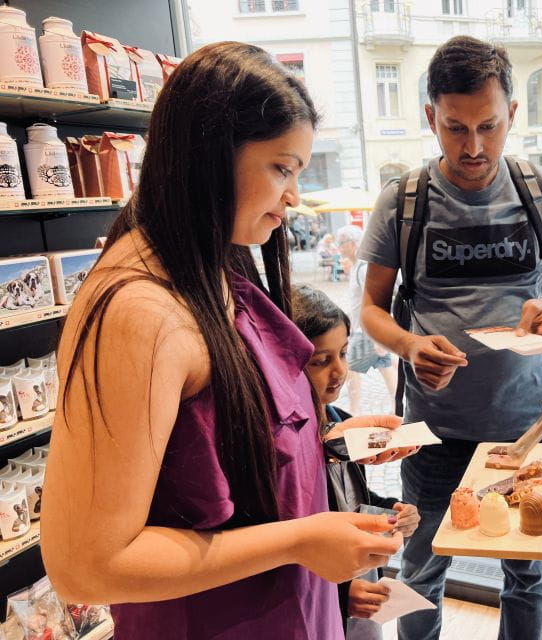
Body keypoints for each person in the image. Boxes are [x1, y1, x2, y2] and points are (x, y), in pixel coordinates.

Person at [40, 42, 415, 640]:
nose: (293, 197)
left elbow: (230, 433)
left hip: (288, 609)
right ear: (210, 157)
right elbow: (87, 565)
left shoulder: (210, 261)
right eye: (282, 168)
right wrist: (299, 538)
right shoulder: (139, 312)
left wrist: (336, 438)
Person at [359, 35, 542, 640]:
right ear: (430, 118)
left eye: (489, 127)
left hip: (529, 425)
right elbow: (369, 309)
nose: (473, 147)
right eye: (454, 128)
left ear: (513, 116)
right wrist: (409, 346)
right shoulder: (403, 201)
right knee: (419, 567)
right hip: (434, 428)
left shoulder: (541, 190)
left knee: (528, 570)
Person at [292, 284, 421, 640]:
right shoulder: (286, 449)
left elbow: (351, 498)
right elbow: (288, 543)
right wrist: (340, 593)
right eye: (321, 361)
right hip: (317, 596)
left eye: (344, 354)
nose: (339, 372)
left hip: (359, 582)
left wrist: (391, 514)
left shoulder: (342, 419)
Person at [335, 225, 397, 414]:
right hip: (363, 332)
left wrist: (380, 337)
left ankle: (354, 413)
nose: (339, 248)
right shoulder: (357, 267)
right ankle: (397, 408)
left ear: (352, 244)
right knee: (385, 367)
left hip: (367, 333)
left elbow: (379, 301)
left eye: (341, 244)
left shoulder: (363, 268)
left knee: (352, 370)